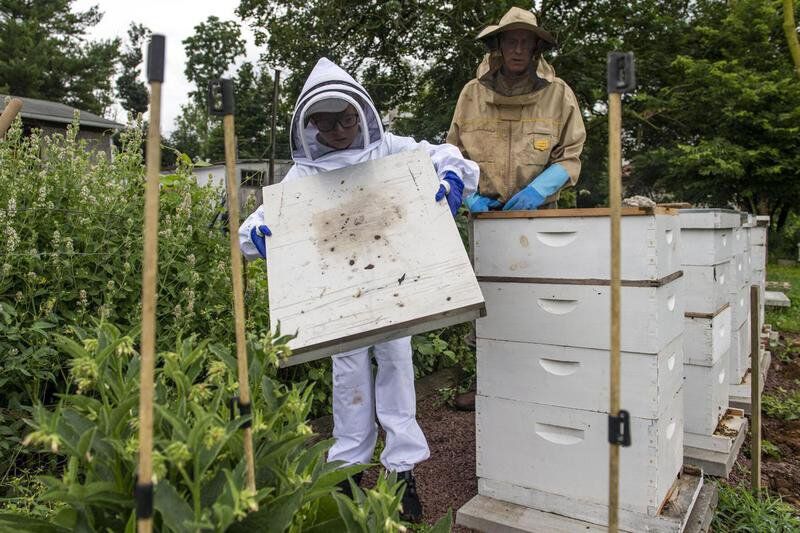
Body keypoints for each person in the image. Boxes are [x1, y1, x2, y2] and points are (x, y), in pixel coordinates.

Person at [238, 57, 479, 523]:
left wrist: (450, 178)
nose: (339, 130)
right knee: (348, 373)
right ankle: (348, 469)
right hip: (339, 293)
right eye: (326, 122)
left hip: (392, 281)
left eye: (345, 118)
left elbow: (445, 155)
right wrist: (264, 237)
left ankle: (400, 471)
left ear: (360, 113)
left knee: (396, 363)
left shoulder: (389, 147)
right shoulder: (304, 172)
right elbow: (257, 225)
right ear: (311, 125)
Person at [447, 6, 586, 212]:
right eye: (511, 41)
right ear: (499, 45)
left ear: (535, 47)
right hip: (485, 216)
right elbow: (453, 154)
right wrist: (471, 197)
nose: (518, 50)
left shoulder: (558, 93)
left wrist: (538, 190)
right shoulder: (471, 94)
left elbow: (570, 155)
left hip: (540, 214)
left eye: (525, 42)